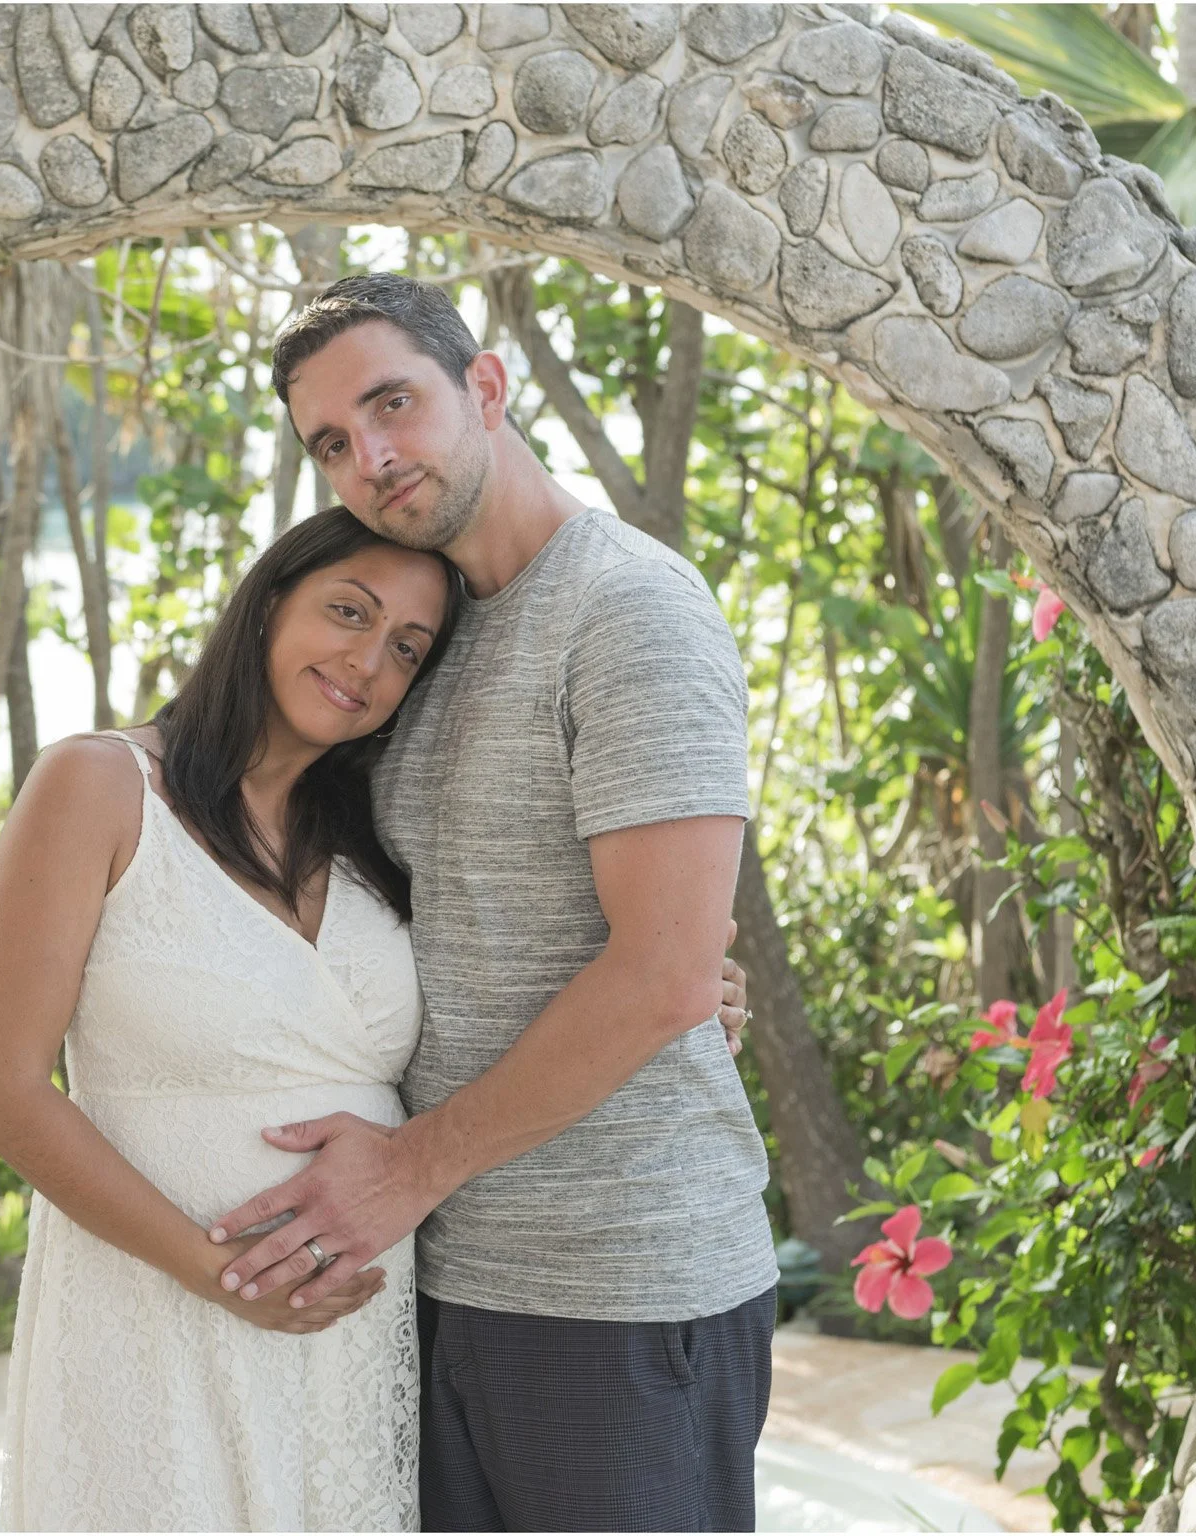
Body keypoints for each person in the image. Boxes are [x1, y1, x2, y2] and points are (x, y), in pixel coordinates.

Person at [0, 503, 753, 1528]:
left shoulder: (373, 836)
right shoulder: (98, 786)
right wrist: (215, 1272)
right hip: (150, 1310)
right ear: (266, 603)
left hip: (352, 1344)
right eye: (347, 611)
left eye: (406, 649)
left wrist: (684, 982)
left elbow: (529, 974)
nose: (368, 660)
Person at [204, 273, 779, 1533]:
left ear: (486, 385)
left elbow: (664, 972)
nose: (372, 458)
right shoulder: (431, 634)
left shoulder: (629, 610)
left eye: (393, 403)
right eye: (332, 445)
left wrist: (405, 1170)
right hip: (445, 1279)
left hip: (620, 1286)